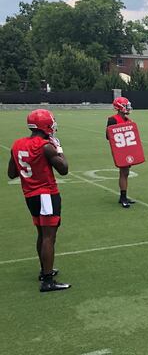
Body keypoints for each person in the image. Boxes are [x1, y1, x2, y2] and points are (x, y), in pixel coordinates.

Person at [8, 109, 70, 291]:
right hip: (46, 194)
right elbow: (64, 169)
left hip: (30, 195)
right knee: (49, 236)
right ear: (45, 125)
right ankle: (48, 280)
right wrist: (59, 148)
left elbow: (11, 173)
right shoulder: (46, 146)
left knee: (41, 234)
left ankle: (45, 270)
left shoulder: (17, 144)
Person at [107, 97, 136, 208]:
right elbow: (108, 136)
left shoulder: (128, 120)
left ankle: (123, 196)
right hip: (120, 150)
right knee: (123, 172)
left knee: (126, 173)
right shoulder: (112, 119)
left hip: (127, 149)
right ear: (120, 107)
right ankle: (123, 197)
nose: (128, 108)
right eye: (126, 106)